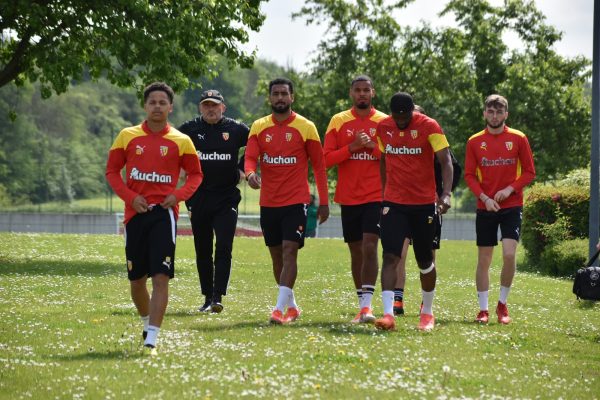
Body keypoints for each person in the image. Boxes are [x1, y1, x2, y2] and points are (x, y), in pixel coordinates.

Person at [105, 82, 203, 353]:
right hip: (135, 215)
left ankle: (153, 338)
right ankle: (147, 322)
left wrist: (179, 194)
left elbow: (196, 174)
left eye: (163, 102)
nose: (157, 106)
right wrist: (130, 198)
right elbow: (112, 172)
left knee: (161, 276)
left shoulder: (182, 141)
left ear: (170, 107)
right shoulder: (127, 136)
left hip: (164, 215)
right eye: (153, 102)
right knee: (137, 281)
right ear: (145, 106)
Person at [245, 77, 330, 324]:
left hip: (296, 201)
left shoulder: (306, 127)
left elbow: (320, 167)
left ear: (292, 97)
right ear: (270, 98)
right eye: (276, 94)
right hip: (269, 202)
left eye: (284, 94)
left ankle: (277, 310)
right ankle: (291, 306)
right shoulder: (259, 127)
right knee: (276, 257)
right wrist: (250, 174)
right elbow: (250, 158)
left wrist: (323, 202)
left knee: (290, 251)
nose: (280, 98)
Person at [374, 92, 453, 331]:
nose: (400, 121)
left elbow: (446, 161)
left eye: (404, 116)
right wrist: (386, 192)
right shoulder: (383, 127)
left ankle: (427, 313)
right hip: (394, 203)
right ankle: (388, 315)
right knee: (390, 256)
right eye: (396, 116)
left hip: (423, 204)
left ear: (412, 112)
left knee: (424, 260)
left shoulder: (430, 126)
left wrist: (446, 194)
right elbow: (384, 159)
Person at [464, 94, 535, 324]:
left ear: (506, 114)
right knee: (484, 259)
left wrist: (509, 189)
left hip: (511, 205)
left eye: (499, 112)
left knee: (509, 254)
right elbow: (469, 175)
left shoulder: (518, 138)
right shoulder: (474, 141)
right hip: (485, 207)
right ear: (484, 113)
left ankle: (502, 305)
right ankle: (483, 310)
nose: (494, 116)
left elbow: (529, 173)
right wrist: (484, 197)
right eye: (490, 111)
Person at [178, 89, 249, 313]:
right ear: (200, 108)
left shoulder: (236, 129)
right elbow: (171, 147)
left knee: (224, 246)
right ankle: (207, 296)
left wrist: (242, 169)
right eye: (206, 105)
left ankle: (218, 297)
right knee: (203, 249)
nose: (211, 109)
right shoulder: (188, 130)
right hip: (198, 198)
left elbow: (257, 145)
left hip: (226, 196)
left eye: (215, 105)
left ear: (223, 108)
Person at [323, 75, 387, 323]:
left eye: (366, 90)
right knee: (356, 252)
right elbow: (325, 159)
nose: (362, 94)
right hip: (349, 197)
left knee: (371, 246)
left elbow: (392, 156)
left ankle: (367, 307)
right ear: (351, 93)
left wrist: (370, 146)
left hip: (376, 195)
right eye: (357, 90)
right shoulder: (338, 121)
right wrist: (352, 147)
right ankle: (362, 304)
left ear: (373, 93)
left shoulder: (384, 122)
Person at [393, 104, 462, 316]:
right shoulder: (398, 140)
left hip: (428, 207)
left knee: (428, 257)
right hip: (402, 206)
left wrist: (443, 195)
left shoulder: (435, 141)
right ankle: (398, 300)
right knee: (399, 253)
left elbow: (453, 168)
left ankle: (426, 302)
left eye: (417, 117)